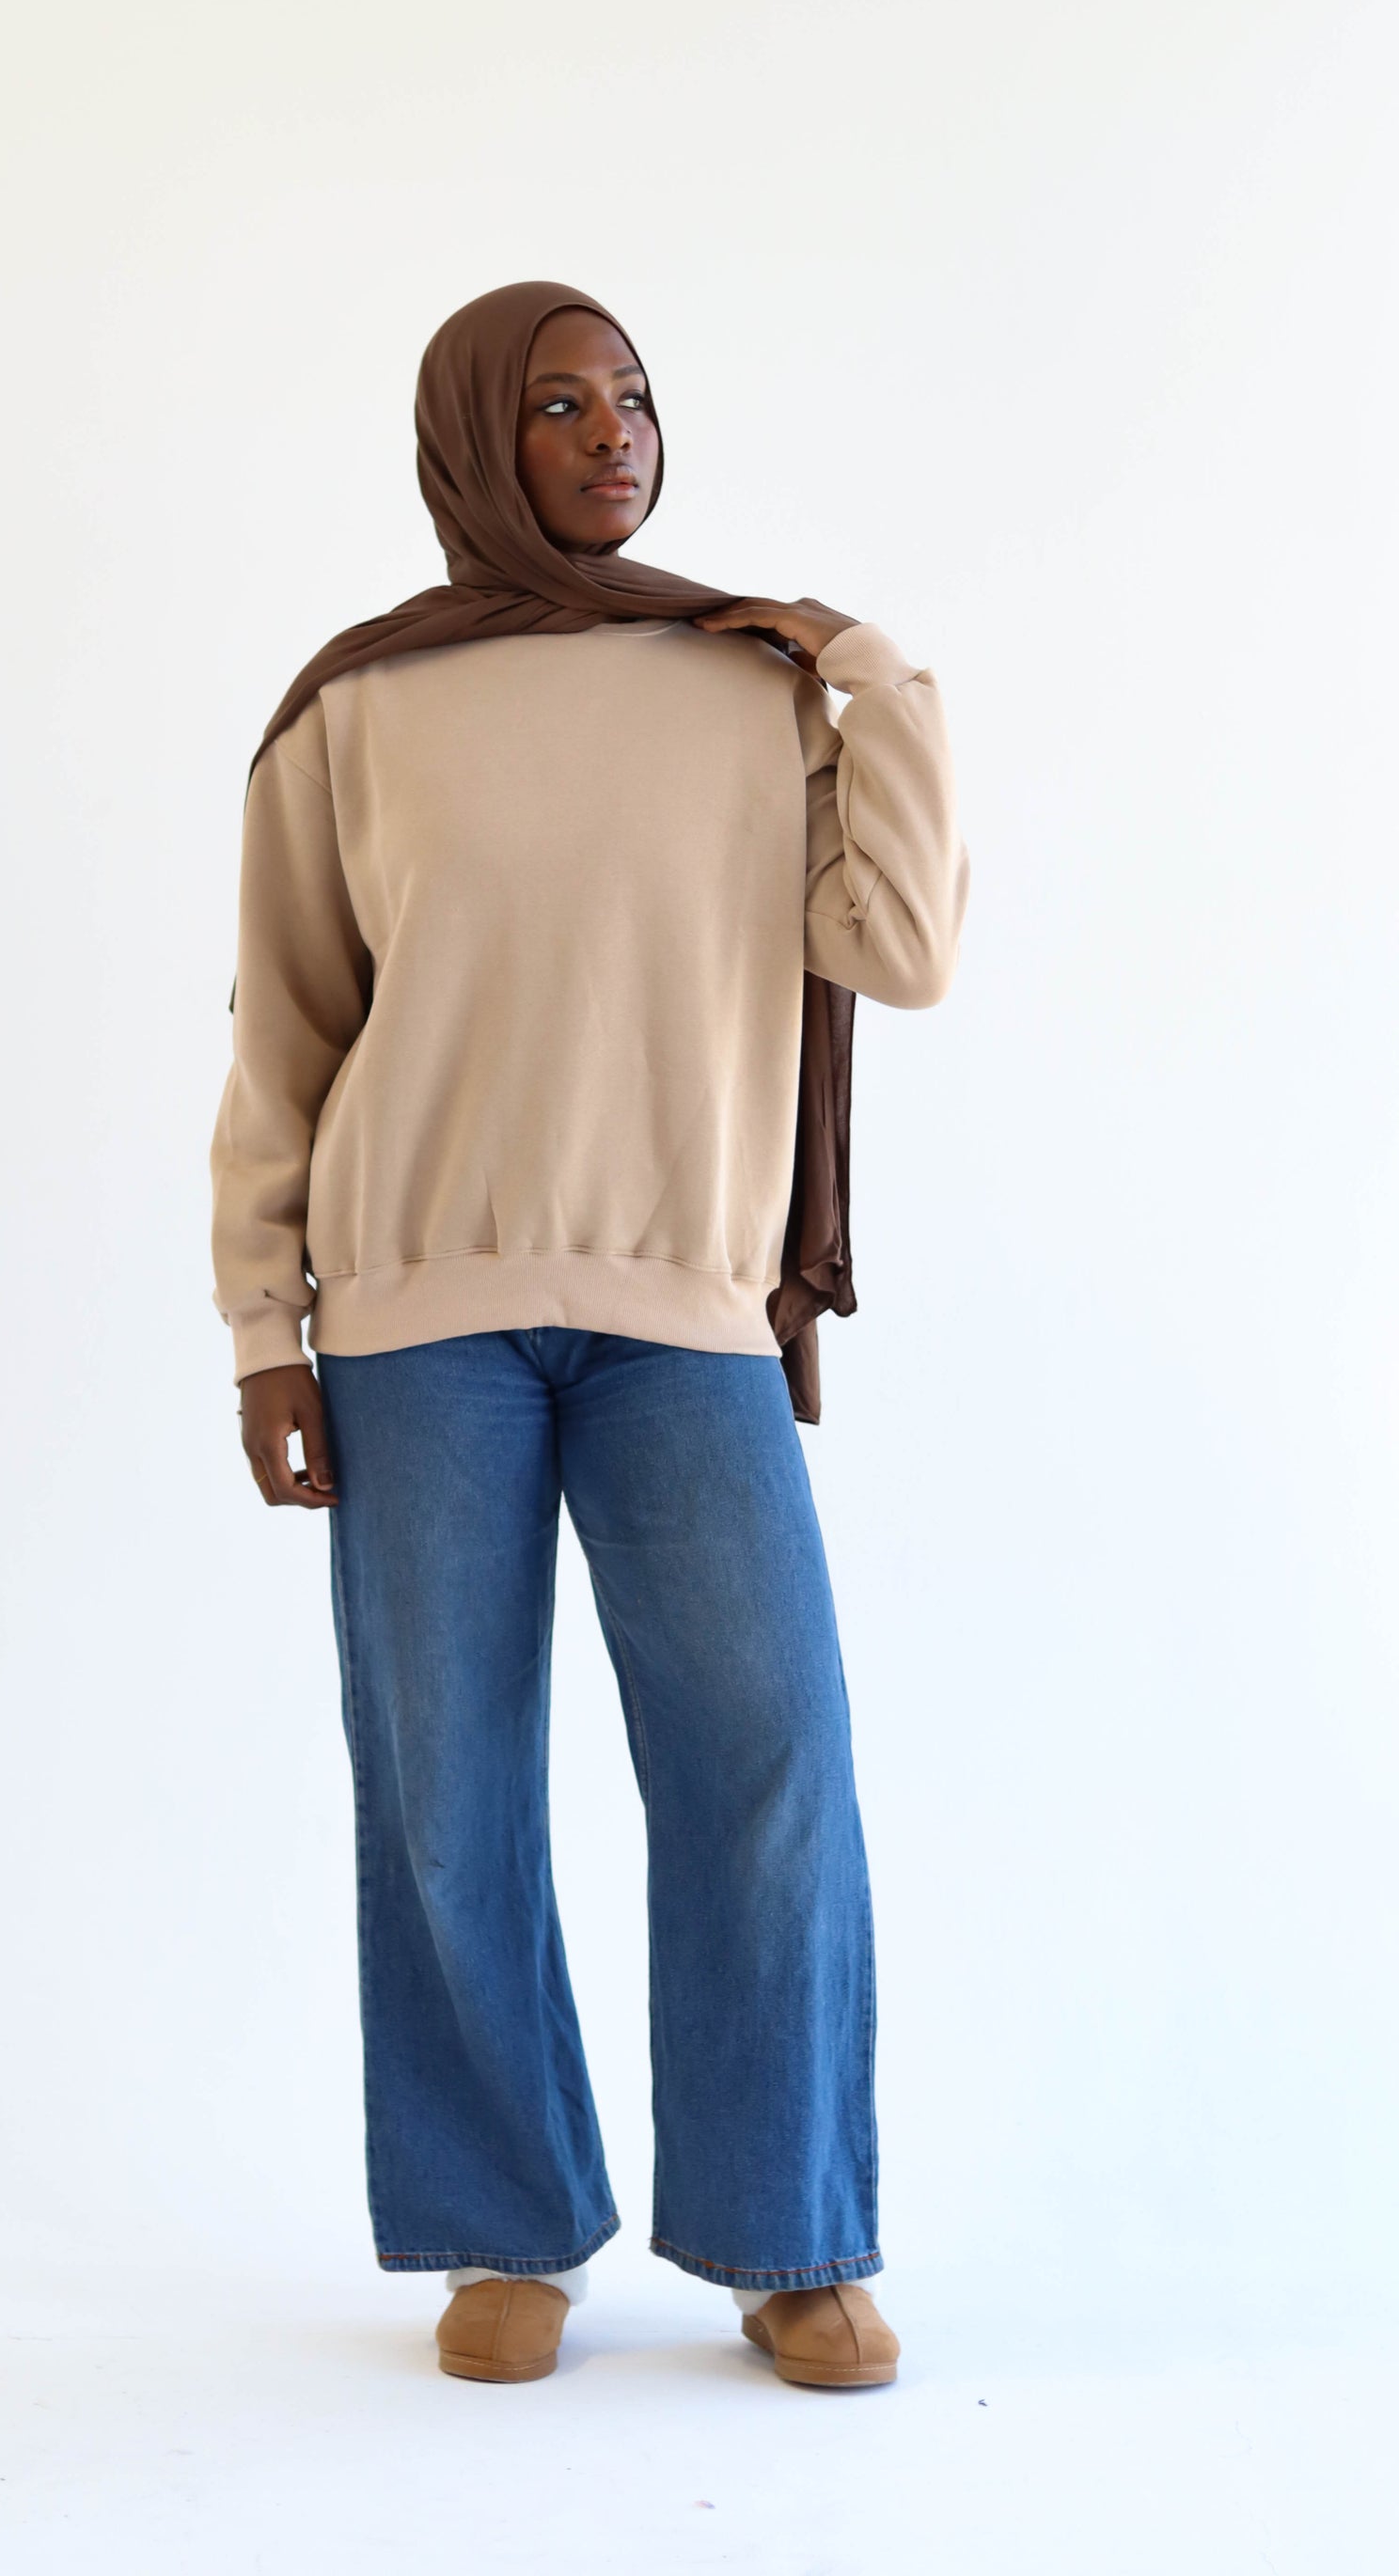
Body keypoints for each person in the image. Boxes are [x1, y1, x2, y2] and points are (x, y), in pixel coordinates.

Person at [210, 281, 967, 2389]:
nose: (611, 431)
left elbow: (902, 948)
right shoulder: (357, 708)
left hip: (679, 1310)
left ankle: (789, 2233)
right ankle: (504, 2223)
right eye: (557, 403)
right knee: (444, 1780)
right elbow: (286, 1032)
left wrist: (872, 671)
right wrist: (264, 1323)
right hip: (412, 1312)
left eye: (632, 396)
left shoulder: (753, 685)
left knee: (768, 1757)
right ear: (473, 437)